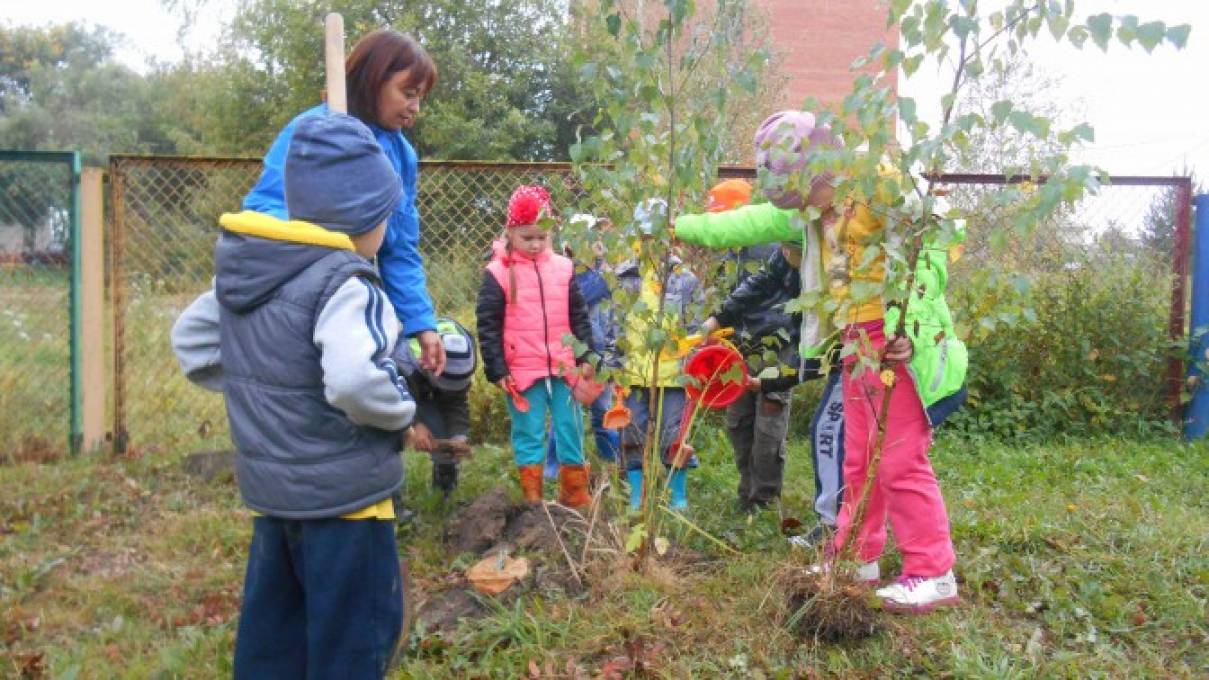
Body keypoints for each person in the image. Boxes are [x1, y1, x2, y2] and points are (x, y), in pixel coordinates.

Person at [678, 110, 969, 612]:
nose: (801, 210)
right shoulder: (810, 210)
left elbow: (930, 244)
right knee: (858, 456)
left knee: (898, 458)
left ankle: (932, 569)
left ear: (824, 169)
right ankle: (856, 554)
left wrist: (909, 324)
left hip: (899, 337)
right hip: (855, 339)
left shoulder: (878, 182)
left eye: (801, 195)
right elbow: (747, 221)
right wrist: (680, 225)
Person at [171, 113, 414, 677]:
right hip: (350, 506)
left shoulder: (252, 268)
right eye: (385, 215)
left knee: (273, 646)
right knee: (352, 647)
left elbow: (193, 342)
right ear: (365, 218)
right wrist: (402, 406)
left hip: (275, 501)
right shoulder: (348, 281)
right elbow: (356, 380)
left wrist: (262, 390)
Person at [242, 29, 449, 375]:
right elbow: (266, 210)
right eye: (408, 93)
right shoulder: (314, 132)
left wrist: (421, 323)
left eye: (420, 97)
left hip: (356, 292)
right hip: (296, 299)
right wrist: (324, 250)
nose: (416, 108)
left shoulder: (401, 155)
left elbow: (400, 246)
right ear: (372, 80)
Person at [476, 186, 599, 509]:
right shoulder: (498, 273)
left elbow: (578, 314)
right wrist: (497, 368)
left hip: (563, 365)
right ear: (510, 232)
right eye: (527, 237)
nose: (535, 244)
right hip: (521, 368)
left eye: (541, 237)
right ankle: (533, 500)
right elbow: (487, 325)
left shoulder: (563, 267)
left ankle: (575, 495)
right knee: (529, 430)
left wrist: (585, 353)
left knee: (569, 425)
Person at [613, 198, 705, 511]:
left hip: (675, 377)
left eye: (658, 237)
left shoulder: (685, 279)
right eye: (645, 237)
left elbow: (695, 326)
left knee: (673, 436)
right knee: (633, 433)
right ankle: (638, 497)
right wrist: (614, 366)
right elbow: (613, 326)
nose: (652, 245)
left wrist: (692, 364)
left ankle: (677, 496)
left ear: (671, 237)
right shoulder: (625, 278)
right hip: (634, 375)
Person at [544, 213, 621, 477]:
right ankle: (556, 467)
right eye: (587, 237)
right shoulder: (563, 275)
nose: (594, 242)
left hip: (600, 356)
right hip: (569, 358)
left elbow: (613, 317)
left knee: (604, 412)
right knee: (564, 413)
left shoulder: (606, 276)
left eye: (595, 237)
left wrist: (609, 358)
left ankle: (612, 462)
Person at [396, 317, 478, 497]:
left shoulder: (463, 360)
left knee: (443, 431)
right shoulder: (402, 361)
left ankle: (444, 485)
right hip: (392, 392)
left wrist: (458, 437)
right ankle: (391, 495)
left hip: (426, 384)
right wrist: (414, 424)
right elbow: (391, 397)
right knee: (388, 437)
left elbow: (455, 403)